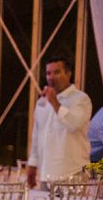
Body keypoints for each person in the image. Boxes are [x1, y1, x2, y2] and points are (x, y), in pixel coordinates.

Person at [26, 56, 93, 187]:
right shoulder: (42, 102)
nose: (51, 77)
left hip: (72, 175)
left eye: (57, 72)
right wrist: (32, 165)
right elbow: (36, 136)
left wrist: (55, 103)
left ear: (69, 74)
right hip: (46, 175)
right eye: (48, 73)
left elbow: (74, 124)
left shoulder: (81, 99)